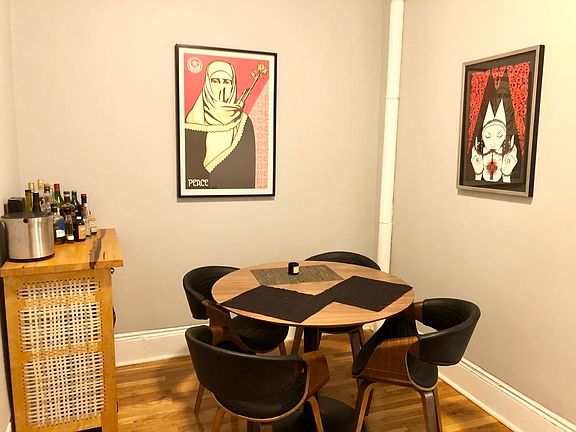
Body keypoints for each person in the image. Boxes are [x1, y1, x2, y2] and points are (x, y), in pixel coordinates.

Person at [184, 61, 255, 189]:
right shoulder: (193, 120)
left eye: (227, 82)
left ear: (233, 85)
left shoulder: (243, 122)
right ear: (207, 83)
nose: (222, 87)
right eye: (215, 81)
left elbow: (247, 173)